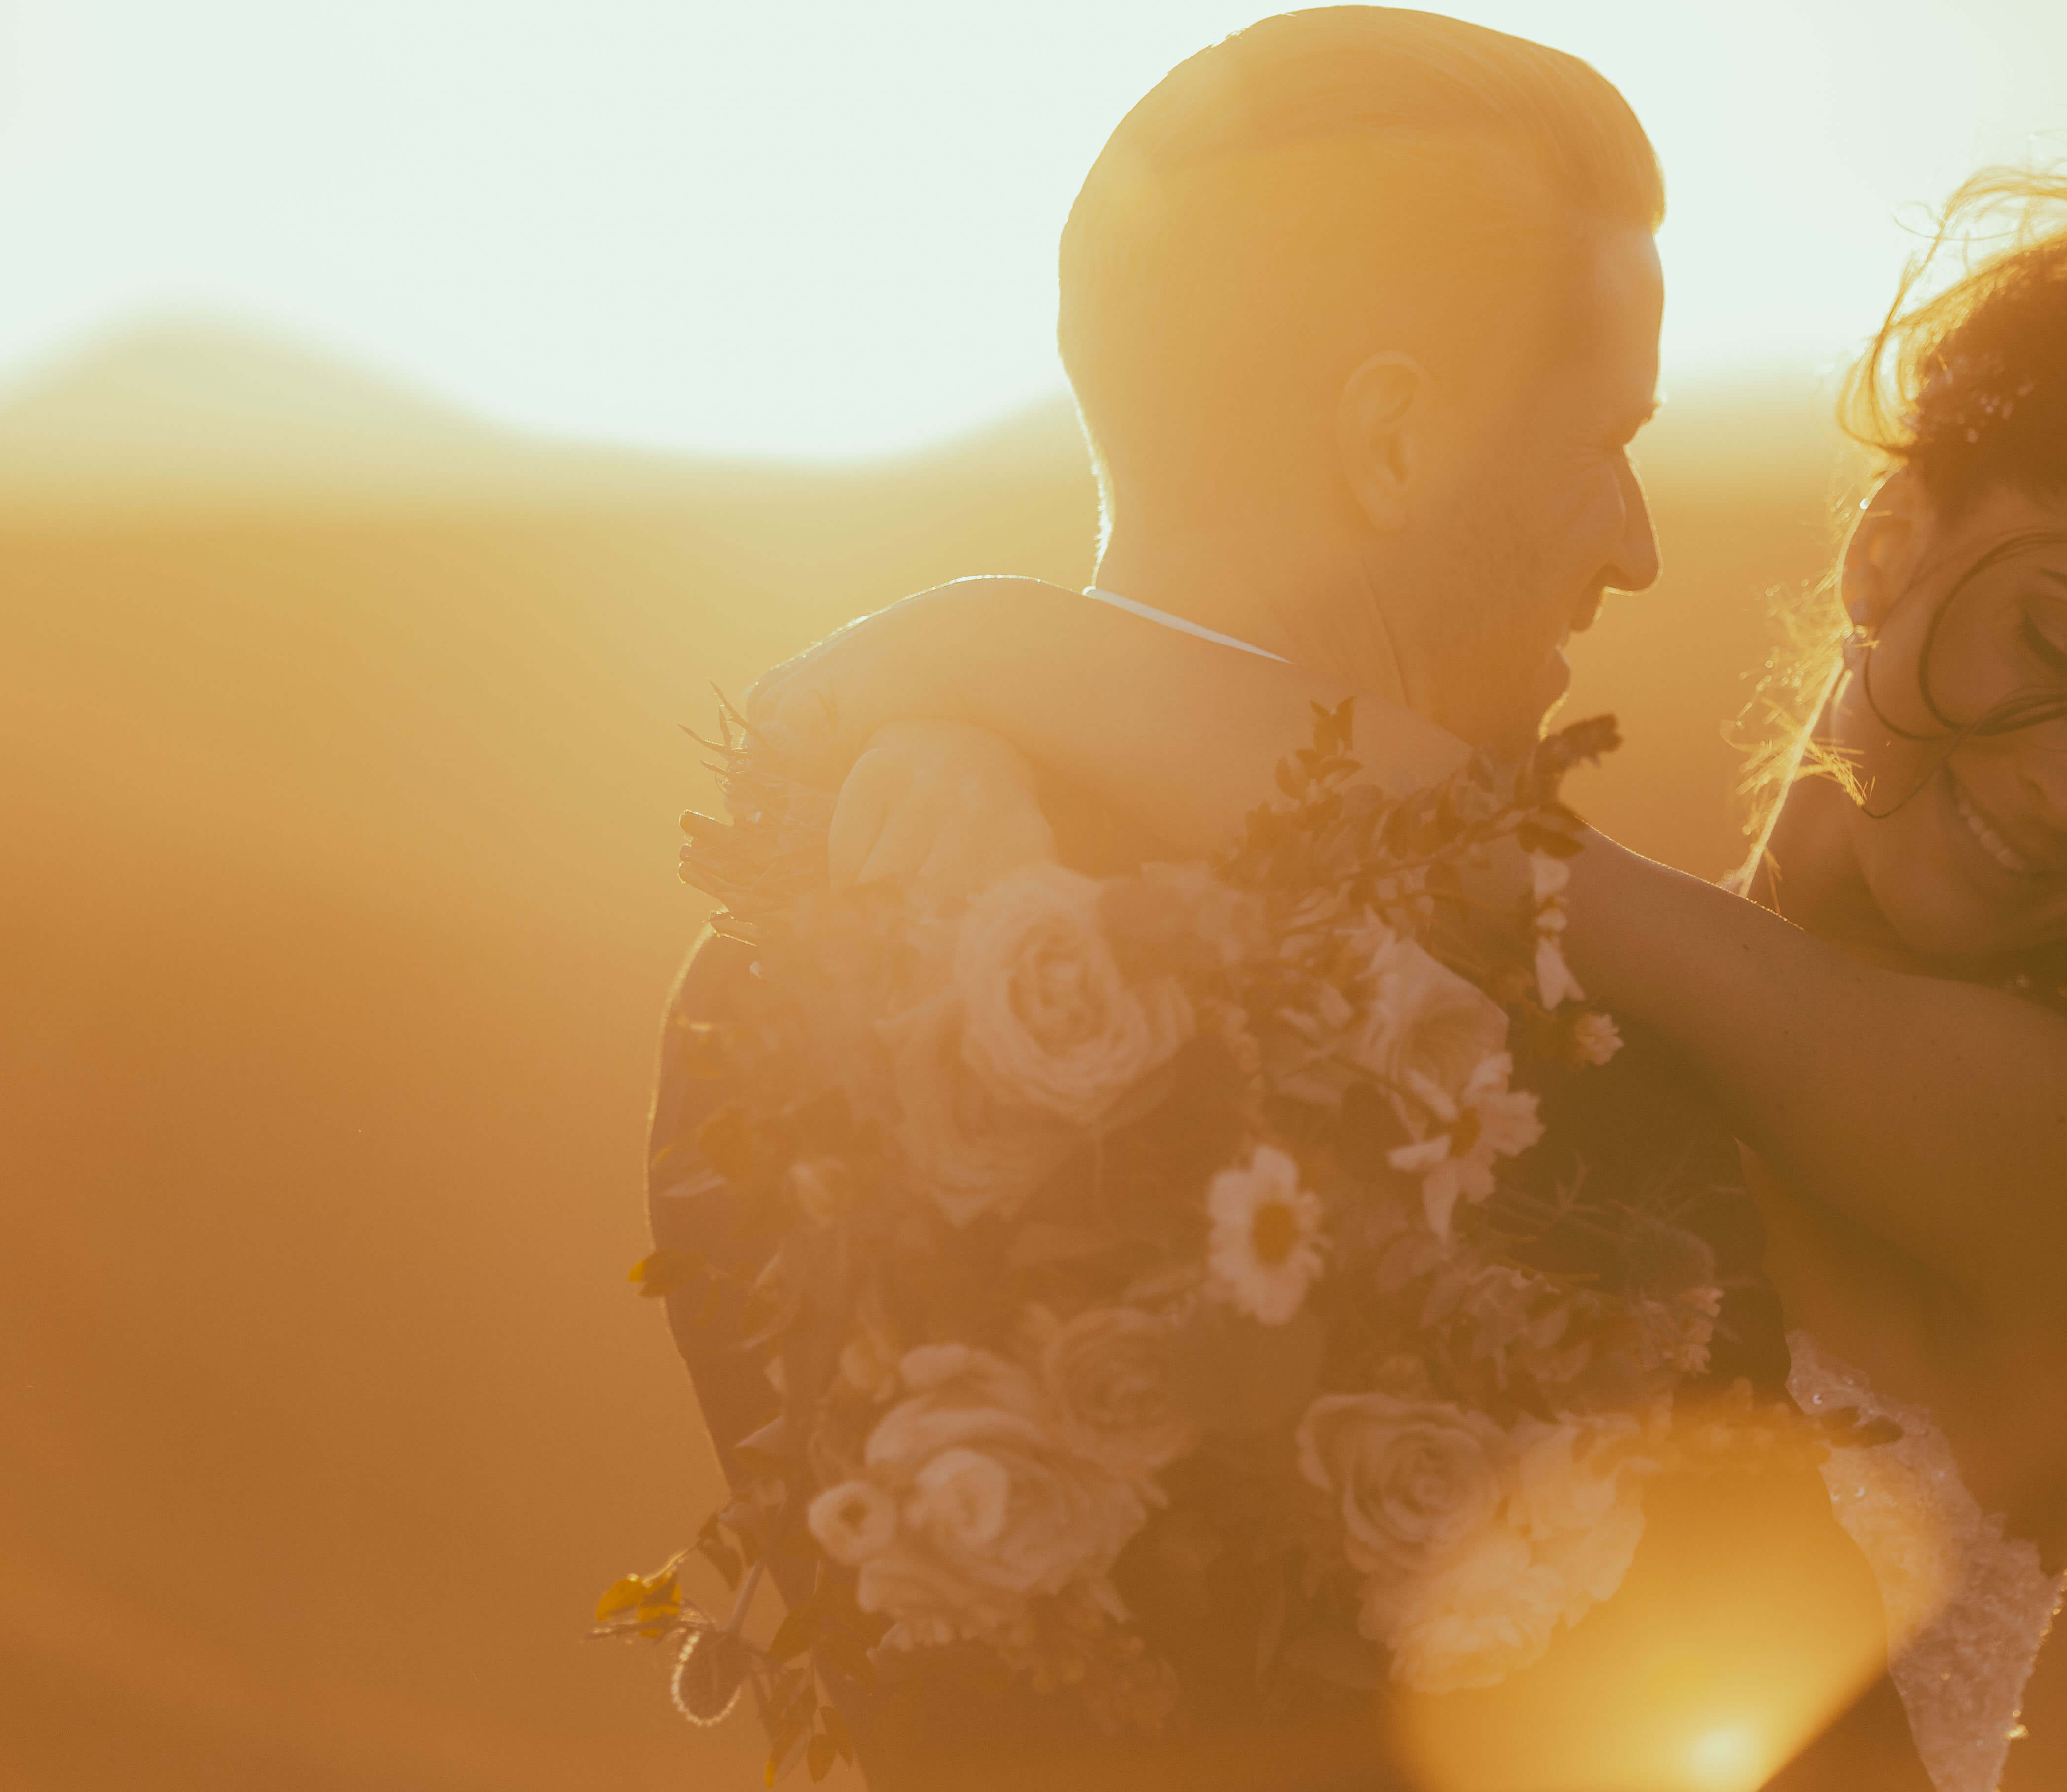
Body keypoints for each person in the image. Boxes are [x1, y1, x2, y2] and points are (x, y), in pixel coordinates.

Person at [752, 168, 2067, 1791]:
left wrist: (983, 648)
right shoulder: (1566, 1012)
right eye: (2063, 639)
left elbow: (1479, 858)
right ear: (1894, 541)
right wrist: (987, 770)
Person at [653, 7, 1926, 1786]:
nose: (1636, 545)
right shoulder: (1501, 1017)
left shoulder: (779, 973)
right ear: (1393, 441)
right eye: (1603, 440)